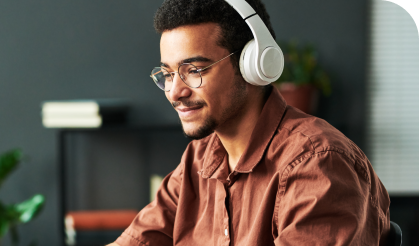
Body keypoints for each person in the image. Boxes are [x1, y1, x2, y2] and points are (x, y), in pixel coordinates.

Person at [108, 0, 391, 245]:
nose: (175, 92)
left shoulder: (317, 163)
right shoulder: (198, 161)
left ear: (253, 64)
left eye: (193, 70)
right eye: (168, 74)